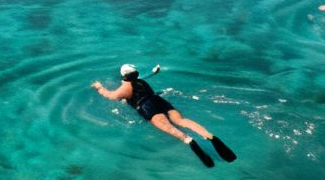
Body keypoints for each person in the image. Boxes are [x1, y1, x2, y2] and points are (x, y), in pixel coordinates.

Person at [91, 64, 237, 168]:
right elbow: (145, 75)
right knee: (181, 121)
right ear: (135, 74)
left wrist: (99, 87)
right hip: (158, 100)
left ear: (124, 76)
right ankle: (209, 135)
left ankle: (189, 140)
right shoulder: (141, 80)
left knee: (168, 127)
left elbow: (110, 95)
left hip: (146, 107)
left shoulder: (124, 88)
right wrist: (154, 72)